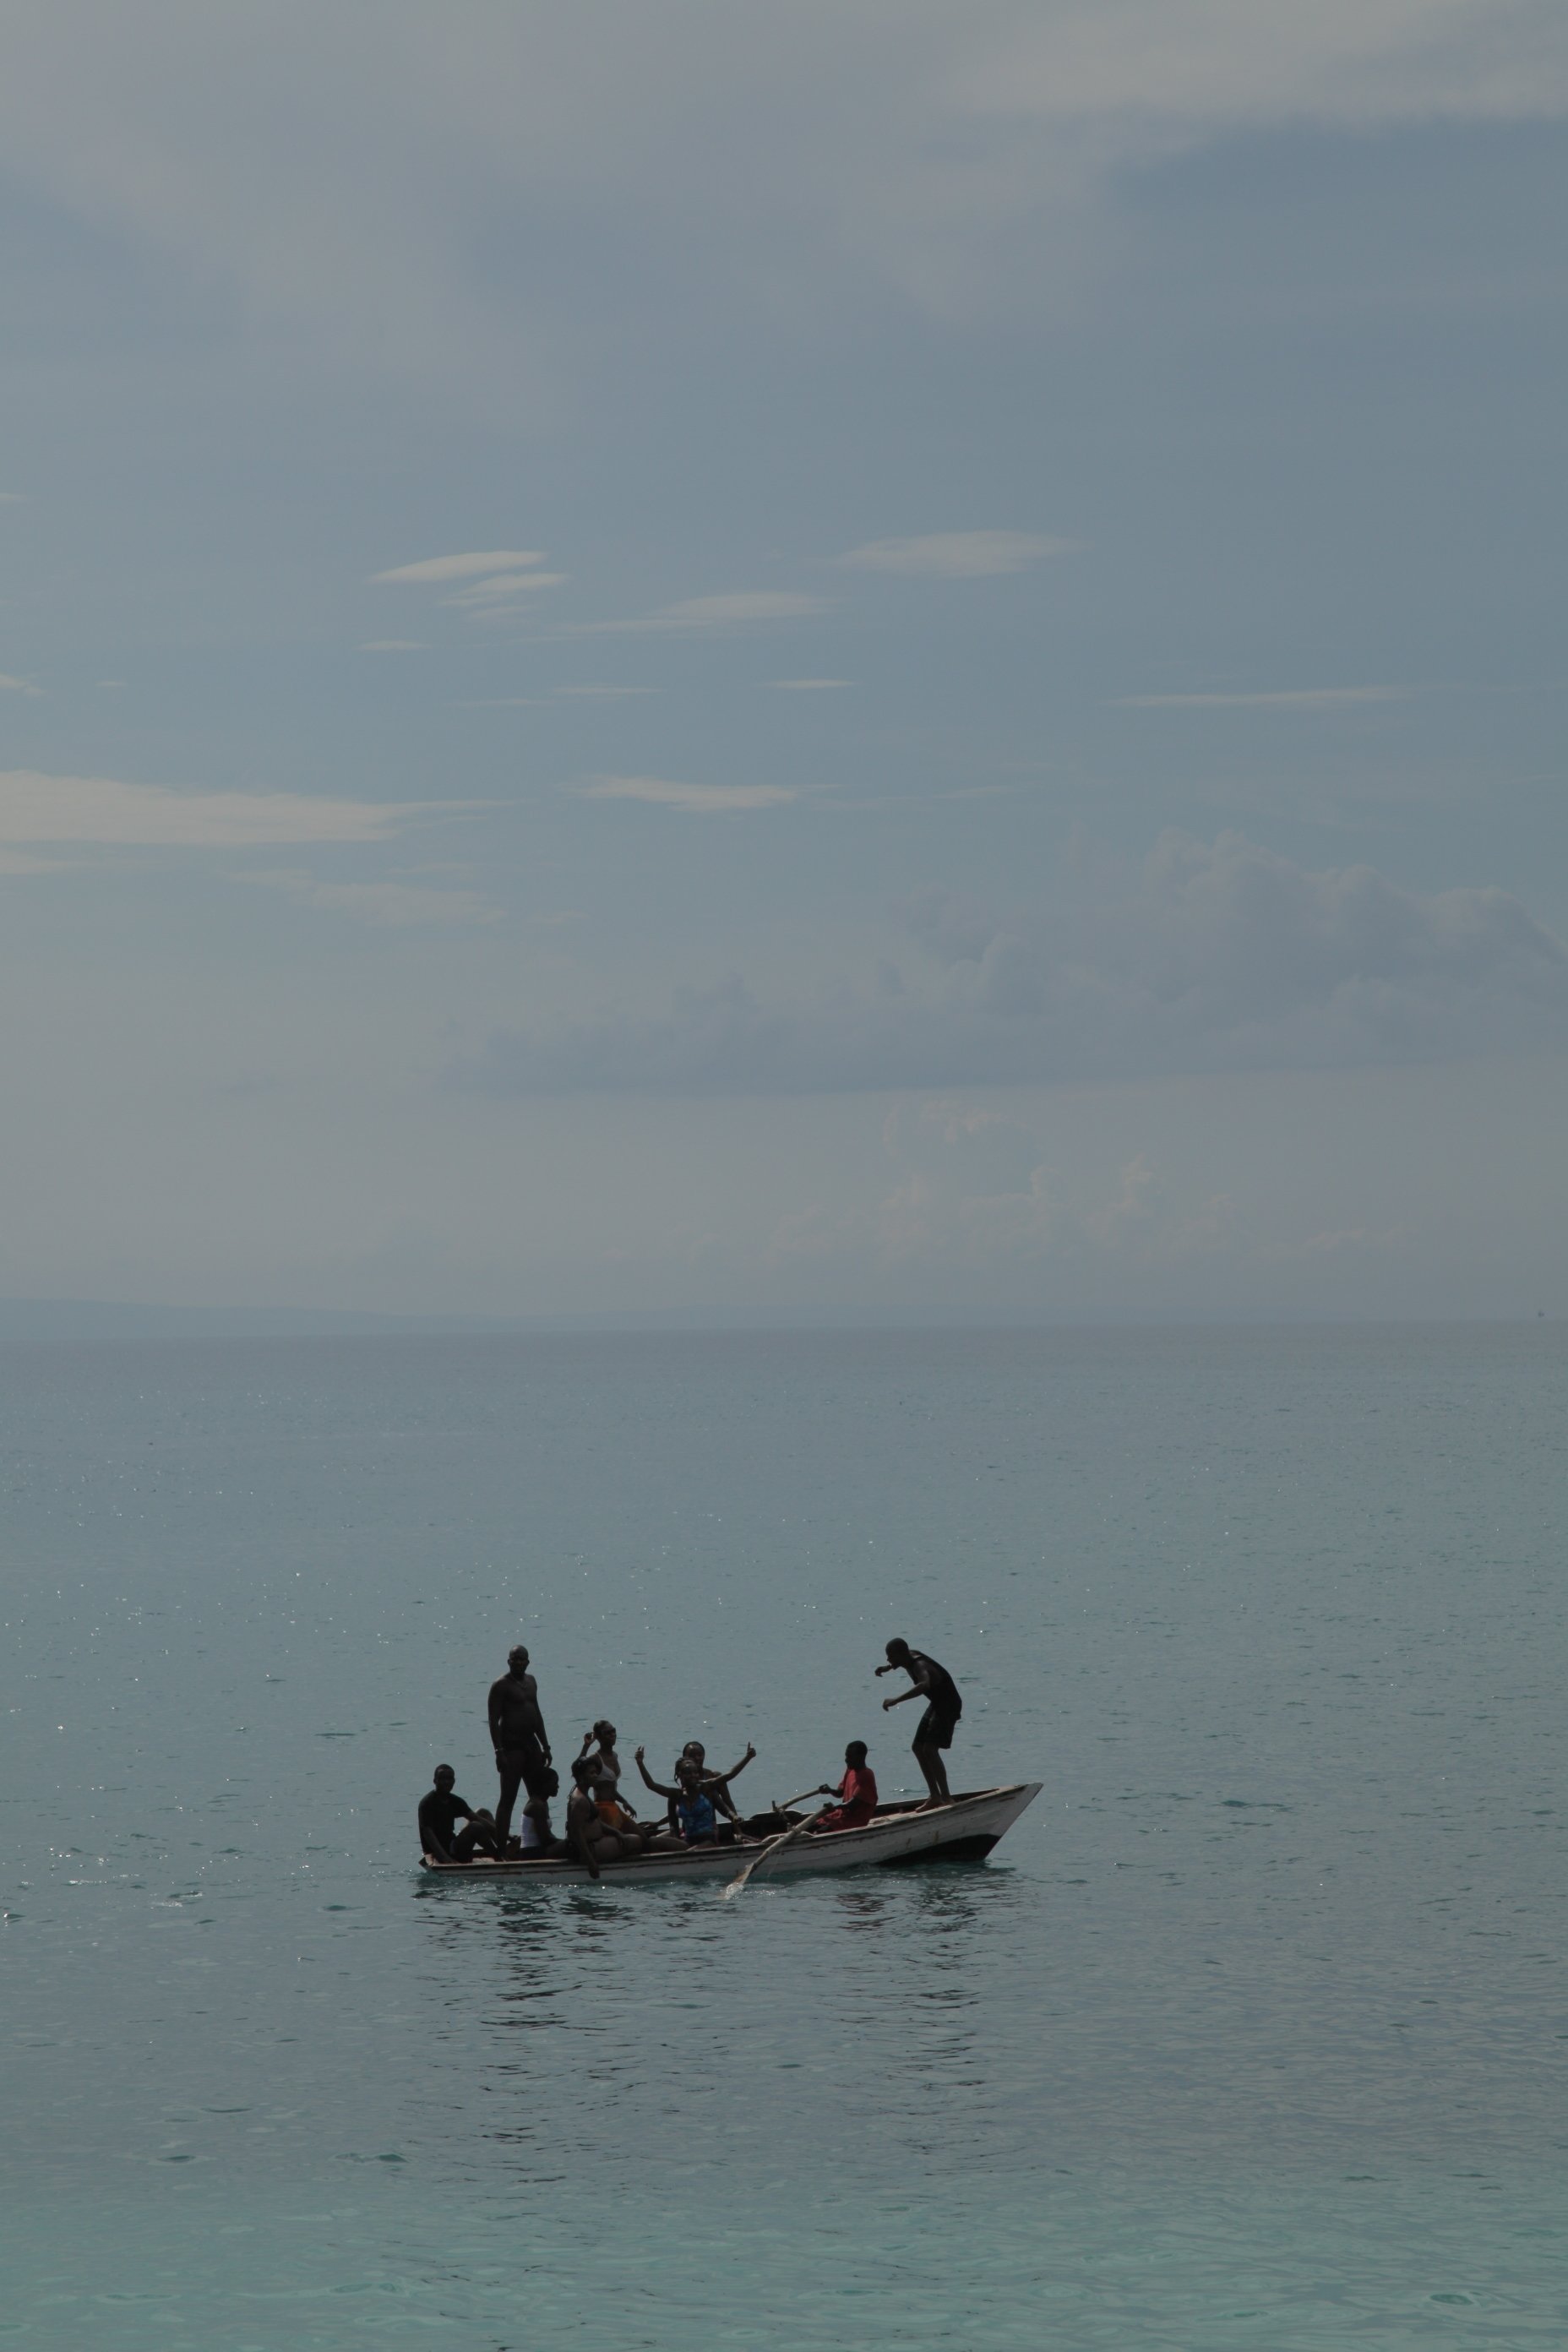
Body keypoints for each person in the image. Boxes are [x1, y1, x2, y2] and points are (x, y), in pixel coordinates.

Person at [876, 1638, 962, 1807]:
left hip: (948, 1705)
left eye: (891, 1657)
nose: (888, 1660)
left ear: (901, 1654)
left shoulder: (919, 1665)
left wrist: (896, 1700)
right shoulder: (908, 1656)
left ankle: (946, 1798)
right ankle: (935, 1796)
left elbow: (924, 1684)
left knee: (930, 1749)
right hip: (937, 1703)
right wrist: (887, 1668)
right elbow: (899, 1661)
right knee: (917, 1747)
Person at [488, 1644, 553, 1845]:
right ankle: (500, 1849)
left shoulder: (532, 1681)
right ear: (508, 1662)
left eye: (521, 1659)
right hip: (511, 1746)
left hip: (531, 1745)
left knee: (539, 1796)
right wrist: (499, 1751)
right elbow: (493, 1721)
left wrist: (546, 1745)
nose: (518, 1662)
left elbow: (537, 1714)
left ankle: (539, 1841)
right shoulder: (501, 1685)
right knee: (508, 1799)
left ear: (528, 1662)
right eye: (514, 1659)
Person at [634, 1748, 732, 1845]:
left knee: (689, 1853)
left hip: (708, 1840)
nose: (692, 1775)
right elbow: (652, 1785)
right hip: (688, 1840)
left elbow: (730, 1776)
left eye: (694, 1772)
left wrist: (747, 1757)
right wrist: (640, 1763)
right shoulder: (677, 1795)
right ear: (680, 1775)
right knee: (652, 1841)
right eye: (688, 1773)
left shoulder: (705, 1788)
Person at [418, 1764, 502, 1865]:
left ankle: (502, 1847)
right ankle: (498, 1857)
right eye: (442, 1779)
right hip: (442, 1852)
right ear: (435, 1781)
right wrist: (445, 1858)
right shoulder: (427, 1804)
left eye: (449, 1779)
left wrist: (506, 1835)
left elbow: (475, 1817)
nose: (446, 1782)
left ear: (454, 1781)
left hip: (453, 1844)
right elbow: (428, 1834)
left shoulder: (455, 1801)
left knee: (482, 1813)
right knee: (476, 1827)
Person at [670, 1738, 755, 1829]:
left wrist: (737, 1827)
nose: (697, 1758)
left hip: (709, 1829)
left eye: (700, 1755)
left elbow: (727, 1802)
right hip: (687, 1830)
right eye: (692, 1756)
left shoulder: (711, 1779)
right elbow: (683, 1809)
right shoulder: (685, 1781)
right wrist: (659, 1823)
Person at [577, 1720, 640, 1829]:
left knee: (641, 1836)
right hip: (603, 1808)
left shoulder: (615, 1755)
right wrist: (586, 1746)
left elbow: (610, 1788)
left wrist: (624, 1801)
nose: (612, 1735)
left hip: (614, 1806)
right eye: (607, 1733)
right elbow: (578, 1769)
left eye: (613, 1731)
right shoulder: (596, 1758)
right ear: (598, 1737)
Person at [809, 1740, 879, 1832]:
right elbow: (840, 1793)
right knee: (811, 1827)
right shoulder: (850, 1770)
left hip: (854, 1821)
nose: (846, 1760)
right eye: (846, 1756)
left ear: (861, 1757)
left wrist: (833, 1808)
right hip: (841, 1816)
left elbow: (852, 1805)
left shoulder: (866, 1775)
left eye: (850, 1757)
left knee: (819, 1832)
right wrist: (829, 1790)